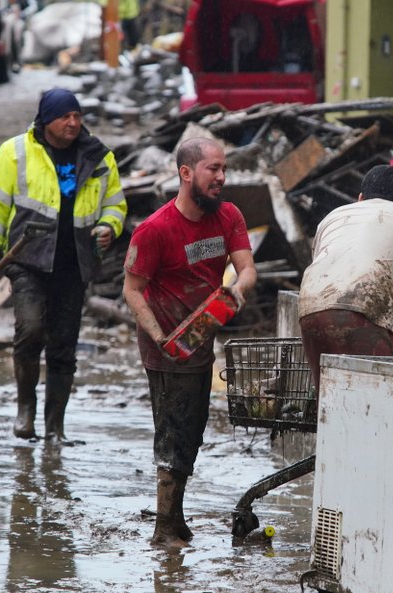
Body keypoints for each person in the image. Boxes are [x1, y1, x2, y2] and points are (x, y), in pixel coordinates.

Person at [122, 137, 257, 549]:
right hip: (166, 345)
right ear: (186, 173)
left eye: (224, 169)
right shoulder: (155, 229)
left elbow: (247, 268)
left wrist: (236, 290)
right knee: (172, 432)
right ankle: (163, 529)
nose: (221, 178)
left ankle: (176, 519)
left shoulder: (228, 215)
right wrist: (159, 335)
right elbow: (132, 289)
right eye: (212, 169)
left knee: (193, 430)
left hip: (200, 339)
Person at [0, 88, 127, 444]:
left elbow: (116, 204)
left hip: (74, 264)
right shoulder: (14, 152)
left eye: (77, 116)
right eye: (65, 117)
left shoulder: (99, 157)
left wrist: (109, 226)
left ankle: (55, 427)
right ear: (46, 121)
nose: (73, 123)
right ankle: (25, 407)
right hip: (27, 260)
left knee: (63, 346)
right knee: (29, 331)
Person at [297, 165, 393, 391]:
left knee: (327, 398)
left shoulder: (333, 217)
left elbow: (324, 270)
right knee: (377, 400)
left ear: (360, 198)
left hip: (310, 307)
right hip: (365, 306)